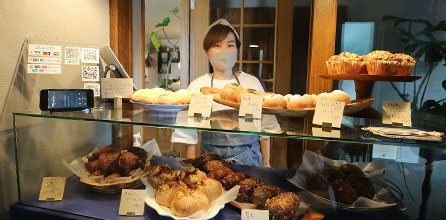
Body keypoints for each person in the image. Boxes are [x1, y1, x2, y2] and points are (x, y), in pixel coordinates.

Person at [171, 19, 280, 167]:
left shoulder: (251, 84)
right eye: (217, 45)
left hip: (250, 160)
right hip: (211, 160)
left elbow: (266, 128)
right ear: (206, 52)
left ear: (237, 50)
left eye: (230, 45)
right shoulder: (197, 86)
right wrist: (192, 167)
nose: (224, 51)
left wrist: (266, 165)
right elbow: (189, 134)